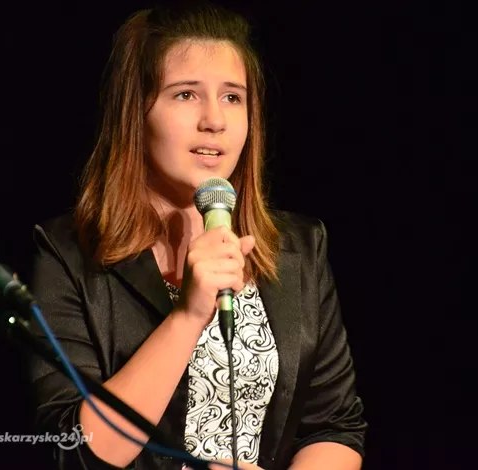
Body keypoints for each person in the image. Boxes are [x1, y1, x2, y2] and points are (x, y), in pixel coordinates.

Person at [27, 3, 368, 470]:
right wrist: (187, 316)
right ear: (136, 112)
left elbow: (334, 427)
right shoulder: (68, 253)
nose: (214, 120)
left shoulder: (300, 248)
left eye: (232, 97)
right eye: (186, 94)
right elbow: (75, 450)